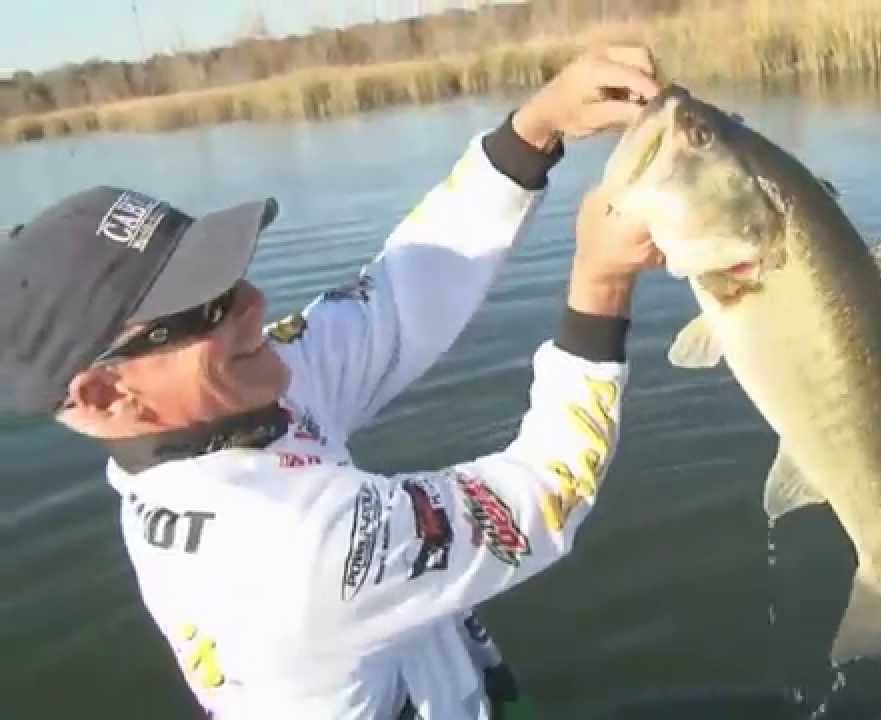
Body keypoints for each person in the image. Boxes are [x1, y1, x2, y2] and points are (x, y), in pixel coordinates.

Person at [0, 46, 663, 719]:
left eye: (226, 277)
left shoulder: (226, 404)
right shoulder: (286, 548)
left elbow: (396, 302)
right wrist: (601, 283)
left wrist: (534, 128)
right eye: (204, 307)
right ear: (105, 395)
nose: (253, 303)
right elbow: (545, 493)